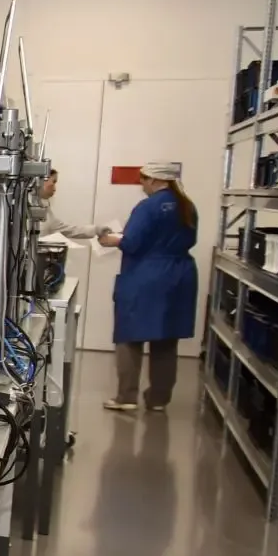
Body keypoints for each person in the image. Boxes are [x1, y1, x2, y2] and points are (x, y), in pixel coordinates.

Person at [97, 161, 198, 412]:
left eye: (143, 180)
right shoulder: (187, 206)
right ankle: (158, 399)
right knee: (166, 339)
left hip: (146, 276)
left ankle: (126, 397)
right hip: (180, 276)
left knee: (130, 336)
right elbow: (190, 239)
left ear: (153, 180)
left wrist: (112, 240)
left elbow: (132, 243)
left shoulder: (148, 207)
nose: (142, 186)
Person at [37, 168, 99, 240]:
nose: (55, 189)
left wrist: (96, 230)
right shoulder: (26, 206)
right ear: (41, 181)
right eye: (53, 182)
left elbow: (68, 230)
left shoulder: (45, 209)